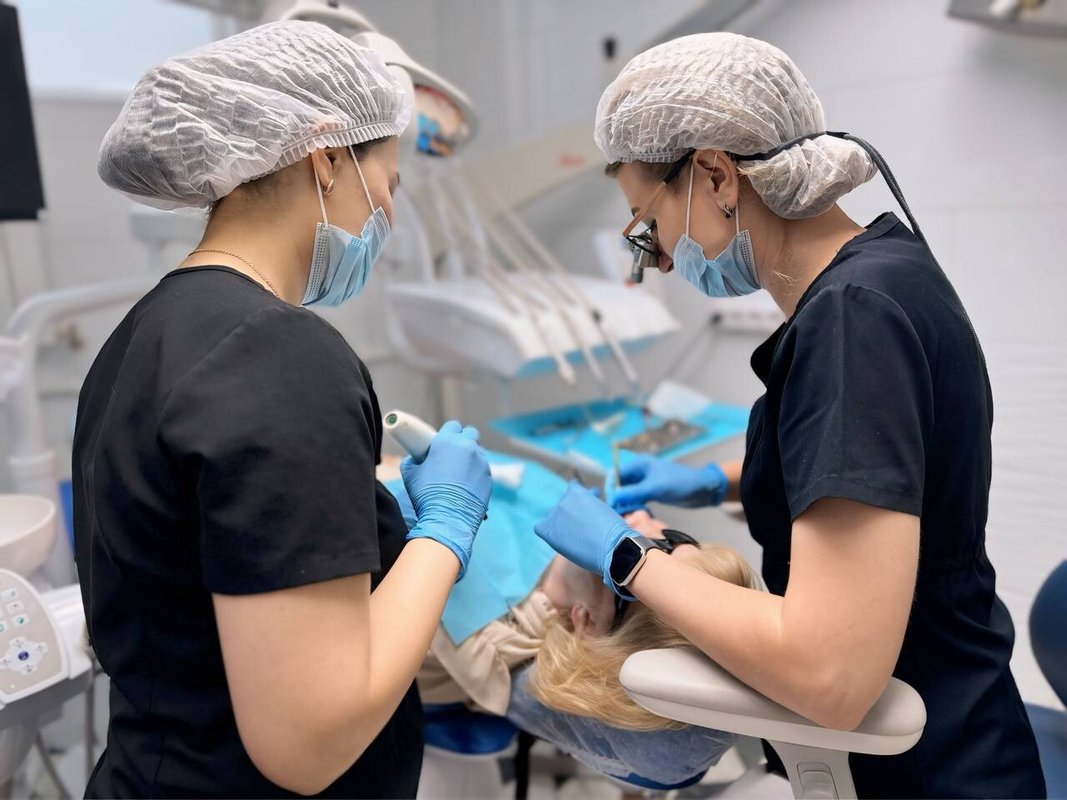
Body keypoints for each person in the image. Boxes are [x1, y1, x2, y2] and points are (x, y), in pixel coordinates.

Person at [533, 32, 1046, 799]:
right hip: (961, 722)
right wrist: (718, 481)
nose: (658, 260)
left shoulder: (849, 324)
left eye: (647, 225)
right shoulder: (884, 273)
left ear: (715, 175)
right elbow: (873, 469)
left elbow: (829, 676)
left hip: (928, 770)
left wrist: (626, 558)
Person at [72, 21, 491, 798]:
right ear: (326, 158)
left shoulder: (147, 332)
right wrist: (445, 530)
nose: (387, 214)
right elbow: (308, 741)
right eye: (389, 184)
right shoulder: (279, 352)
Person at [412, 506, 759, 787]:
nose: (642, 518)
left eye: (648, 549)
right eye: (677, 539)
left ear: (589, 622)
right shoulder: (571, 574)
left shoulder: (485, 637)